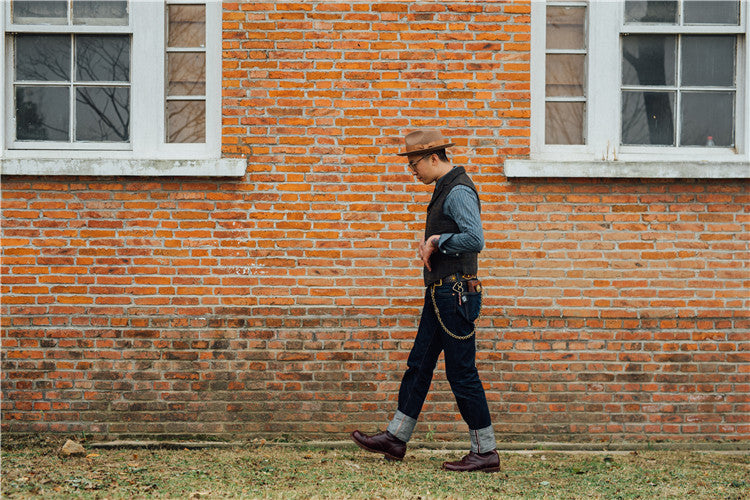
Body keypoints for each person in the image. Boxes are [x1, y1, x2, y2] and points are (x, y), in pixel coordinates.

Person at [351, 129, 499, 473]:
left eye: (414, 163)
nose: (412, 171)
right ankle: (396, 437)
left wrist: (437, 239)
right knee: (419, 364)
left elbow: (475, 238)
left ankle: (486, 452)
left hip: (456, 294)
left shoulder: (458, 189)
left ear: (434, 157)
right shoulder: (443, 189)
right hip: (440, 293)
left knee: (462, 373)